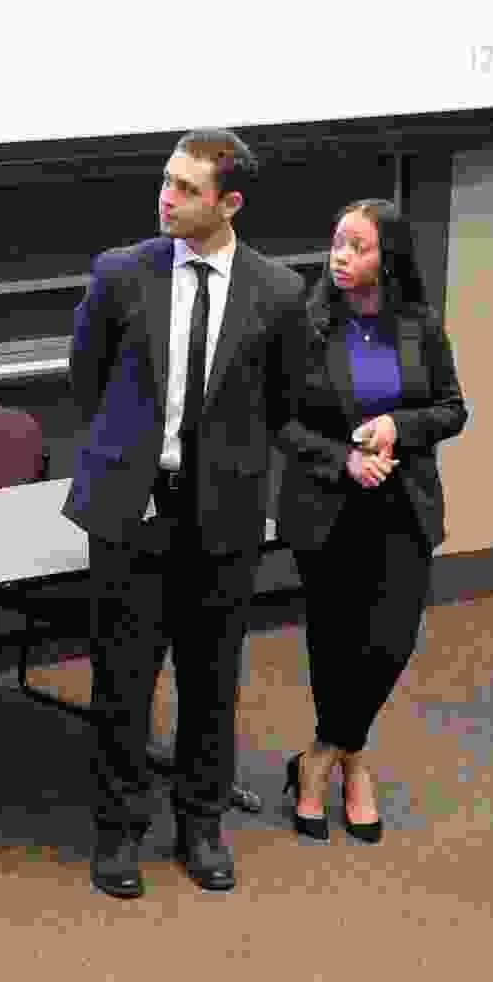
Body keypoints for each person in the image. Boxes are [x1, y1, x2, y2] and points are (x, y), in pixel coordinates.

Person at [59, 128, 305, 899]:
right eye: (166, 181)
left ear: (229, 204)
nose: (167, 198)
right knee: (122, 683)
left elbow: (283, 403)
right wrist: (135, 454)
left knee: (211, 681)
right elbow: (87, 378)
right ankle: (118, 831)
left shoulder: (278, 291)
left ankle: (201, 825)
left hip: (223, 512)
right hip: (135, 508)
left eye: (187, 189)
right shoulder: (121, 273)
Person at [272, 199, 469, 843]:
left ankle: (320, 757)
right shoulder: (304, 324)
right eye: (338, 242)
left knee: (390, 641)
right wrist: (345, 459)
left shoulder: (420, 323)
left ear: (390, 258)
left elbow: (452, 409)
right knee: (335, 644)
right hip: (327, 506)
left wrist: (397, 427)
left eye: (358, 246)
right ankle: (355, 768)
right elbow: (281, 421)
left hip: (403, 505)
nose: (341, 255)